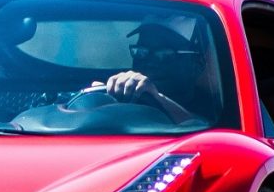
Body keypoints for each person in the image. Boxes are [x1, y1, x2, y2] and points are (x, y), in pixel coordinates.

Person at [84, 20, 218, 127]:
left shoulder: (217, 108)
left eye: (165, 54)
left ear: (198, 64)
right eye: (141, 51)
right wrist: (98, 102)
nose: (149, 62)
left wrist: (156, 98)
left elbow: (205, 131)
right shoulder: (123, 93)